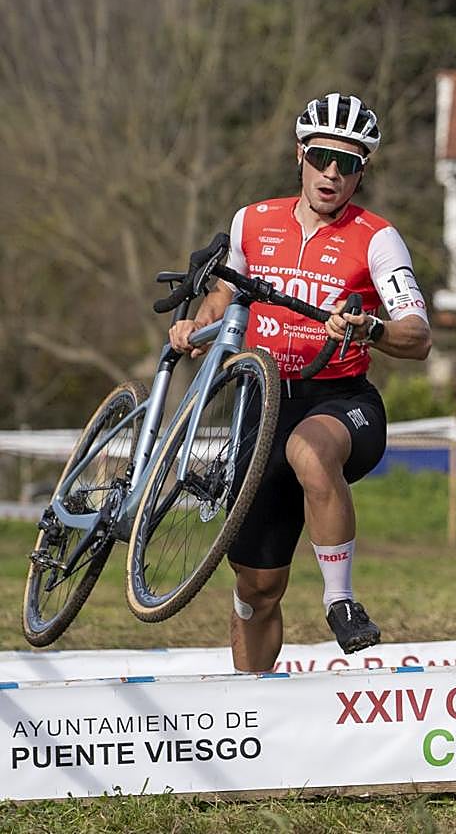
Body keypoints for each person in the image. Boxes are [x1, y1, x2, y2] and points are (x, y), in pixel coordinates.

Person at [168, 93, 433, 671]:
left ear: (363, 171)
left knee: (310, 452)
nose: (332, 174)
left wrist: (372, 328)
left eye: (348, 163)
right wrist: (198, 324)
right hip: (259, 408)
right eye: (321, 158)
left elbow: (417, 335)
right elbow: (225, 294)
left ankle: (341, 601)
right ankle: (251, 718)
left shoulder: (377, 238)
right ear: (300, 156)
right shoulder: (252, 221)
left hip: (339, 401)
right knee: (257, 590)